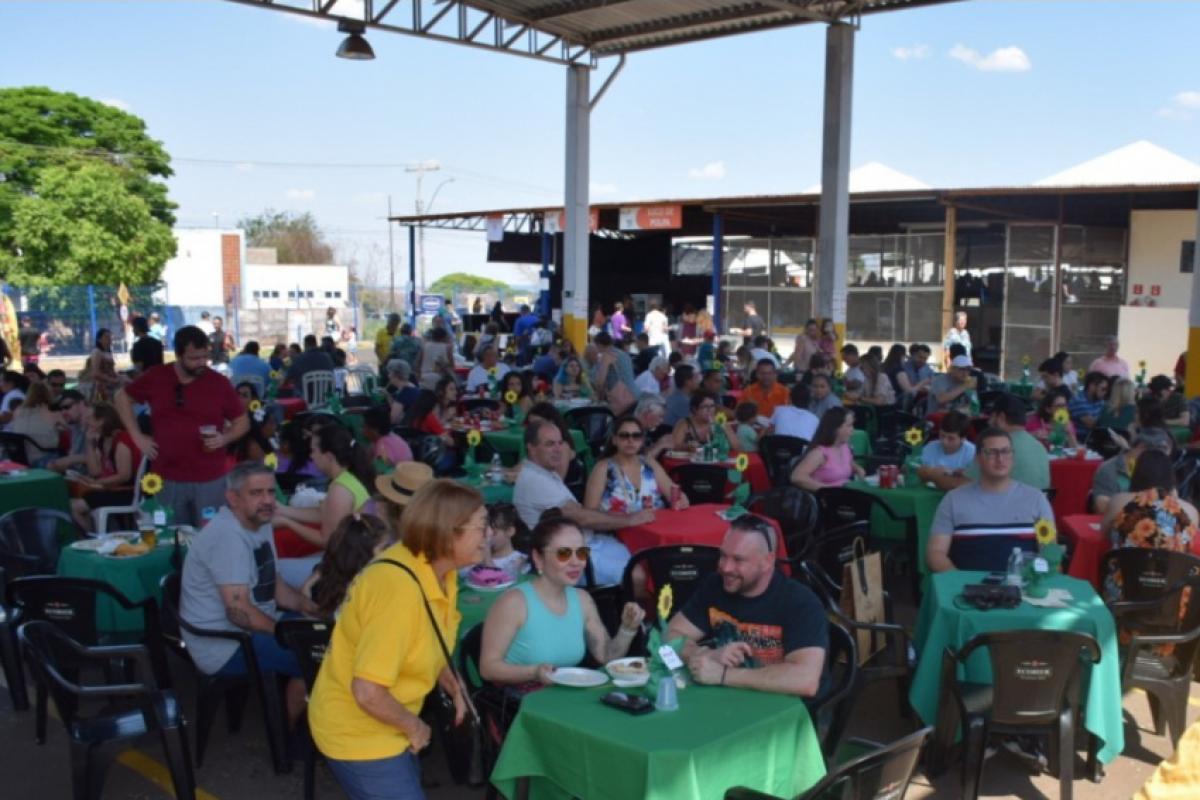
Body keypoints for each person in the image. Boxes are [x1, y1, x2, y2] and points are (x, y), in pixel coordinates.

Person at [308, 480, 484, 797]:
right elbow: (368, 691)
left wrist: (454, 684)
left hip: (387, 723)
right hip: (358, 732)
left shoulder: (442, 571)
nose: (489, 537)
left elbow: (430, 637)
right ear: (447, 536)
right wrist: (414, 727)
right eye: (481, 528)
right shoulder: (398, 590)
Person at [180, 462, 317, 729]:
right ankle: (286, 736)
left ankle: (303, 718)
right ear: (233, 498)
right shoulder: (228, 537)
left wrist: (307, 606)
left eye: (269, 491)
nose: (267, 500)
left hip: (252, 626)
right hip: (224, 645)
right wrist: (285, 633)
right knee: (315, 655)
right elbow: (238, 612)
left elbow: (275, 585)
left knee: (319, 634)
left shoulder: (258, 521)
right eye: (256, 493)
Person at [666, 514, 827, 697]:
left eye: (738, 560)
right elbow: (671, 634)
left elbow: (805, 680)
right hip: (727, 700)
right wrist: (705, 654)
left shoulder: (801, 603)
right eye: (723, 556)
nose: (725, 568)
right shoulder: (715, 585)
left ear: (767, 561)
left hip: (781, 710)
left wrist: (724, 675)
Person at [480, 514, 647, 687]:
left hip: (567, 694)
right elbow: (488, 668)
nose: (576, 562)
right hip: (520, 702)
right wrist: (533, 672)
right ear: (538, 558)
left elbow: (606, 657)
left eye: (582, 553)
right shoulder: (514, 602)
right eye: (564, 553)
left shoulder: (582, 599)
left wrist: (627, 628)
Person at [116, 326, 249, 526]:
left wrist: (225, 438)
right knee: (171, 538)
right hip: (167, 477)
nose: (201, 363)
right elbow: (121, 398)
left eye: (204, 357)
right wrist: (137, 436)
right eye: (193, 358)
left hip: (209, 477)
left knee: (209, 537)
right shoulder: (157, 376)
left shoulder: (218, 383)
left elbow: (242, 421)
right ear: (178, 355)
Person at [513, 420, 649, 586]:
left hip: (587, 544)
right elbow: (581, 517)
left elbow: (579, 512)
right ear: (531, 449)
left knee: (647, 563)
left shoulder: (544, 471)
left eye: (560, 443)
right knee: (639, 577)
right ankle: (634, 612)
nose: (558, 449)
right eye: (550, 444)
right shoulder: (534, 480)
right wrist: (629, 519)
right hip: (571, 558)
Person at [926, 428, 1055, 573]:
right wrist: (959, 582)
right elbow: (936, 553)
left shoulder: (1036, 499)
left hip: (1022, 588)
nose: (1000, 458)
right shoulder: (953, 500)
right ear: (978, 458)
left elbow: (1049, 553)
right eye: (992, 452)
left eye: (1006, 451)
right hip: (967, 589)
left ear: (1013, 456)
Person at [585, 416, 687, 515]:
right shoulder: (603, 468)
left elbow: (675, 495)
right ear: (614, 440)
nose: (631, 440)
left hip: (655, 526)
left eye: (636, 436)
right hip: (616, 529)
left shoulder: (649, 463)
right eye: (624, 435)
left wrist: (680, 500)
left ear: (642, 441)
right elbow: (590, 514)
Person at [1102, 449, 1199, 552]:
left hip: (1126, 566)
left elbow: (1105, 532)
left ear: (1137, 475)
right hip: (1174, 567)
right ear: (1170, 477)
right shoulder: (1191, 511)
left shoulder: (1119, 501)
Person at [67, 403, 143, 531]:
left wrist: (97, 483)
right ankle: (91, 536)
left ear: (101, 420)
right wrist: (89, 444)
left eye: (90, 418)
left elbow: (124, 475)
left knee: (73, 506)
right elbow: (95, 471)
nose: (86, 421)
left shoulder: (122, 440)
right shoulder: (104, 439)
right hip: (112, 489)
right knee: (72, 501)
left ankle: (90, 540)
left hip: (127, 491)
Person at [306, 513, 395, 619]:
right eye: (384, 548)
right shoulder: (364, 589)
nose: (390, 551)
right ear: (363, 556)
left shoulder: (325, 578)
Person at [1092, 427, 1173, 516]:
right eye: (1157, 456)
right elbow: (1101, 506)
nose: (1160, 461)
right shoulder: (1109, 469)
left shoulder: (1161, 467)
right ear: (1141, 447)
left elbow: (1172, 497)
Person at [790, 407, 864, 491]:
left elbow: (847, 462)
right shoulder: (819, 453)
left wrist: (857, 468)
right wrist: (828, 491)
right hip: (826, 500)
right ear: (836, 428)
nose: (853, 430)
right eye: (849, 425)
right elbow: (797, 477)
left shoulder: (844, 446)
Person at [916, 410, 977, 483]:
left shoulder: (972, 453)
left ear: (963, 438)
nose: (944, 441)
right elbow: (916, 468)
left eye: (951, 438)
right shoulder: (930, 447)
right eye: (942, 435)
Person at [8, 382, 60, 465]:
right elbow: (69, 429)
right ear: (48, 395)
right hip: (44, 458)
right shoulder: (51, 414)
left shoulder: (17, 411)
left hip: (20, 459)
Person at [671, 390, 739, 453]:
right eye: (705, 407)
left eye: (712, 406)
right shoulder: (685, 424)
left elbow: (738, 448)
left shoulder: (720, 422)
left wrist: (725, 429)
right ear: (694, 409)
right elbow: (673, 446)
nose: (709, 410)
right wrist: (687, 446)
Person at [592, 331, 638, 415]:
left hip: (621, 399)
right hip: (634, 395)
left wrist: (598, 396)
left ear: (599, 344)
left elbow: (600, 382)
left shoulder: (606, 356)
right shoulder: (624, 355)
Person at [47, 389, 89, 473]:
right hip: (76, 475)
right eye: (60, 409)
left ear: (81, 403)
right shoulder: (75, 426)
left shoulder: (96, 424)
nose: (63, 412)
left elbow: (101, 459)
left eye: (67, 407)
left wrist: (70, 460)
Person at [79, 327, 121, 403]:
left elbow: (111, 370)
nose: (109, 339)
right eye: (106, 337)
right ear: (99, 339)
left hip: (107, 380)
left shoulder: (108, 352)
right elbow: (95, 373)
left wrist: (118, 377)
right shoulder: (97, 352)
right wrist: (112, 380)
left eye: (110, 337)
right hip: (97, 383)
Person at [1068, 371, 1110, 437]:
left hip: (1095, 439)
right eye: (1103, 389)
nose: (1105, 392)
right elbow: (1092, 425)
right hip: (1081, 441)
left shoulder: (1099, 401)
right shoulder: (1078, 401)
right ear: (1092, 386)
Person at [415, 326, 456, 391]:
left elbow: (417, 364)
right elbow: (452, 367)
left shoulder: (424, 347)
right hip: (440, 381)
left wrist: (418, 377)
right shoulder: (447, 348)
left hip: (424, 378)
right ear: (444, 337)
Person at [374, 313, 402, 378]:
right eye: (393, 323)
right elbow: (376, 349)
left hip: (396, 364)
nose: (394, 326)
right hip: (384, 364)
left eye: (396, 324)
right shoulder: (381, 332)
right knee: (384, 384)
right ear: (389, 322)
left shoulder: (399, 332)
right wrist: (383, 361)